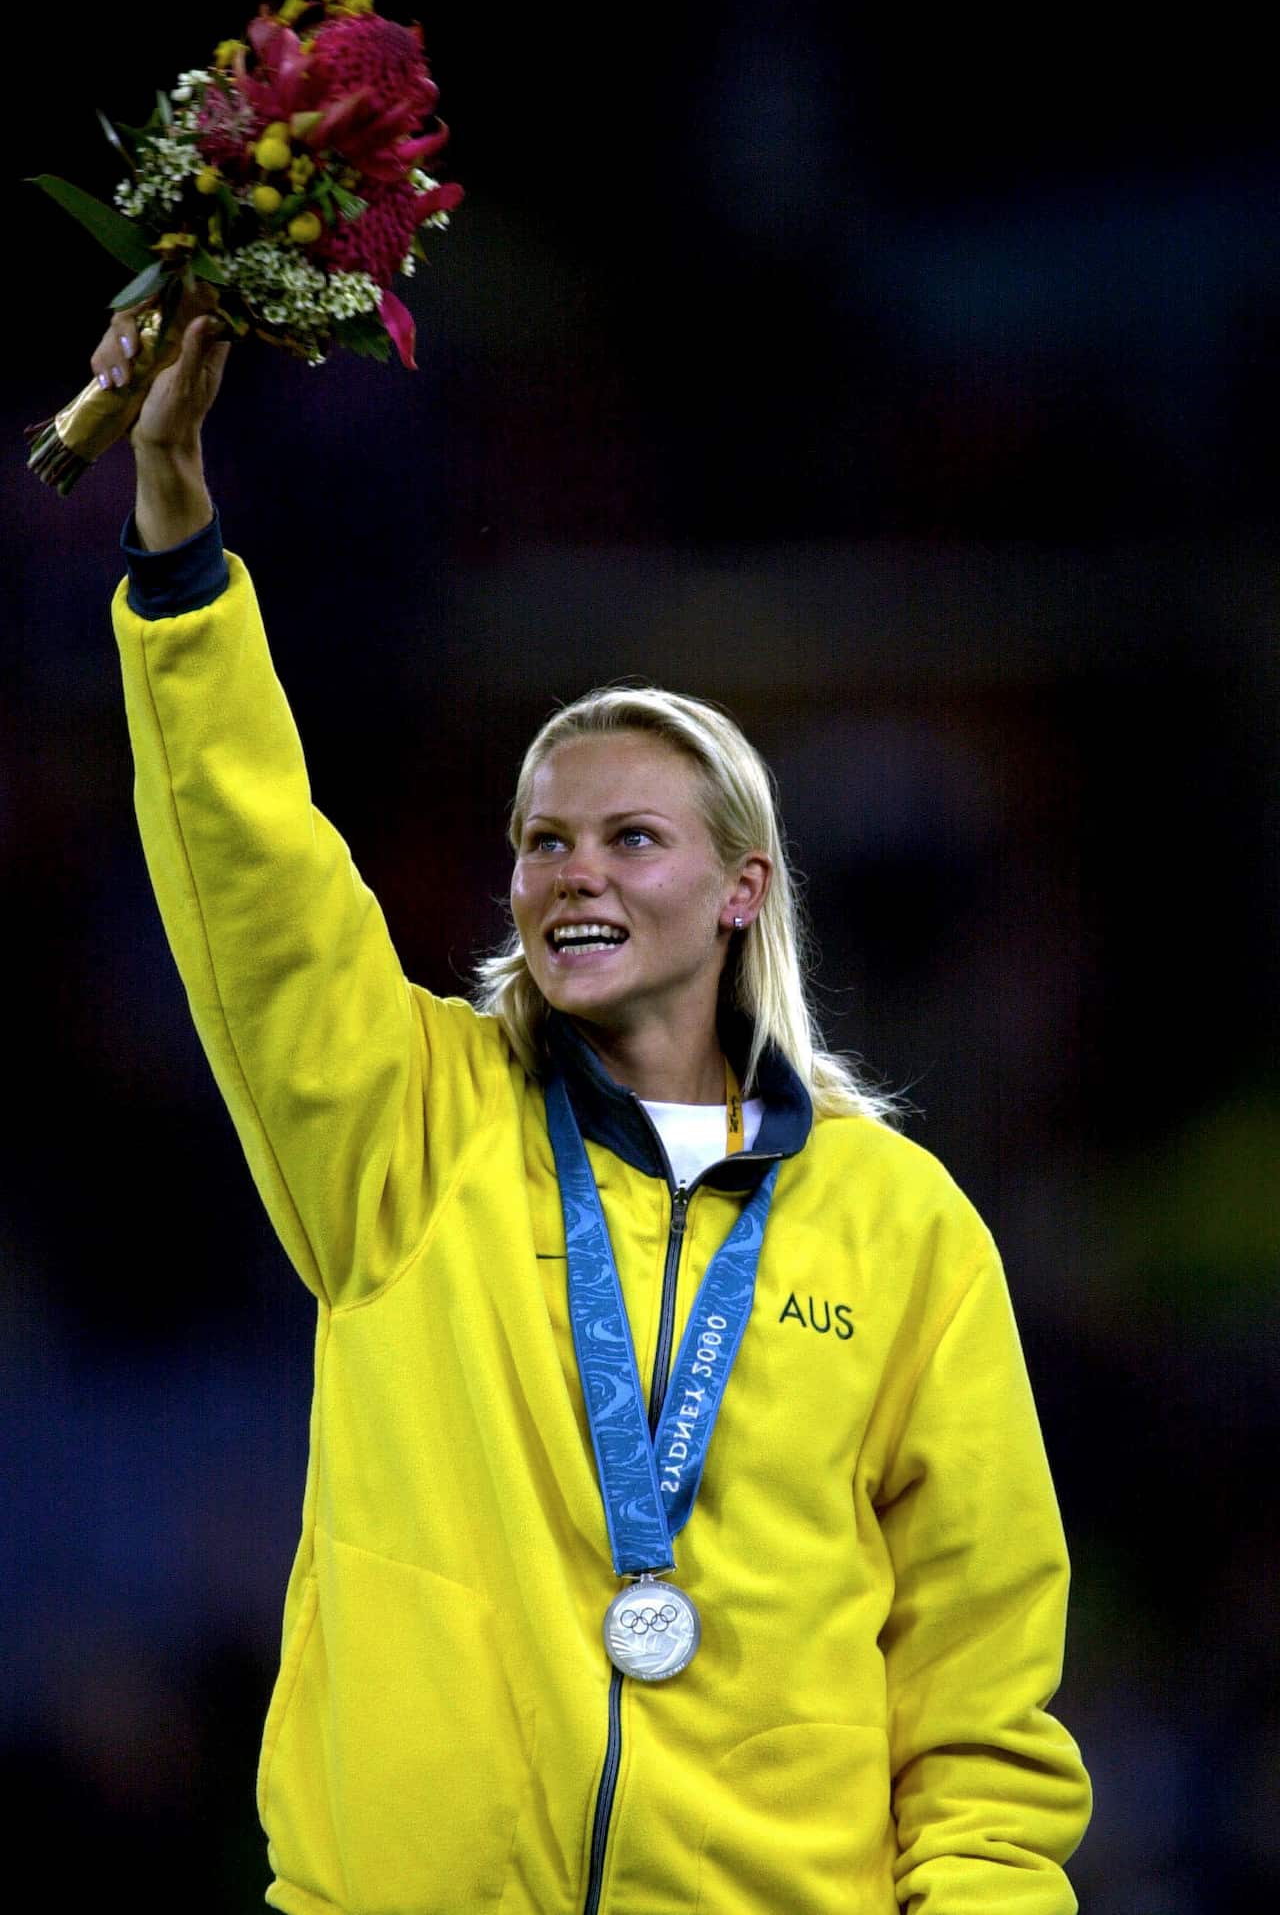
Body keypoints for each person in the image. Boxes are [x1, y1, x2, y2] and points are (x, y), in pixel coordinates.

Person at [95, 310, 1091, 1915]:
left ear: (743, 890)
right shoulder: (405, 1132)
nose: (573, 873)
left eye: (632, 840)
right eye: (543, 841)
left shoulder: (903, 1228)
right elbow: (253, 874)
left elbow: (978, 1706)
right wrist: (178, 546)